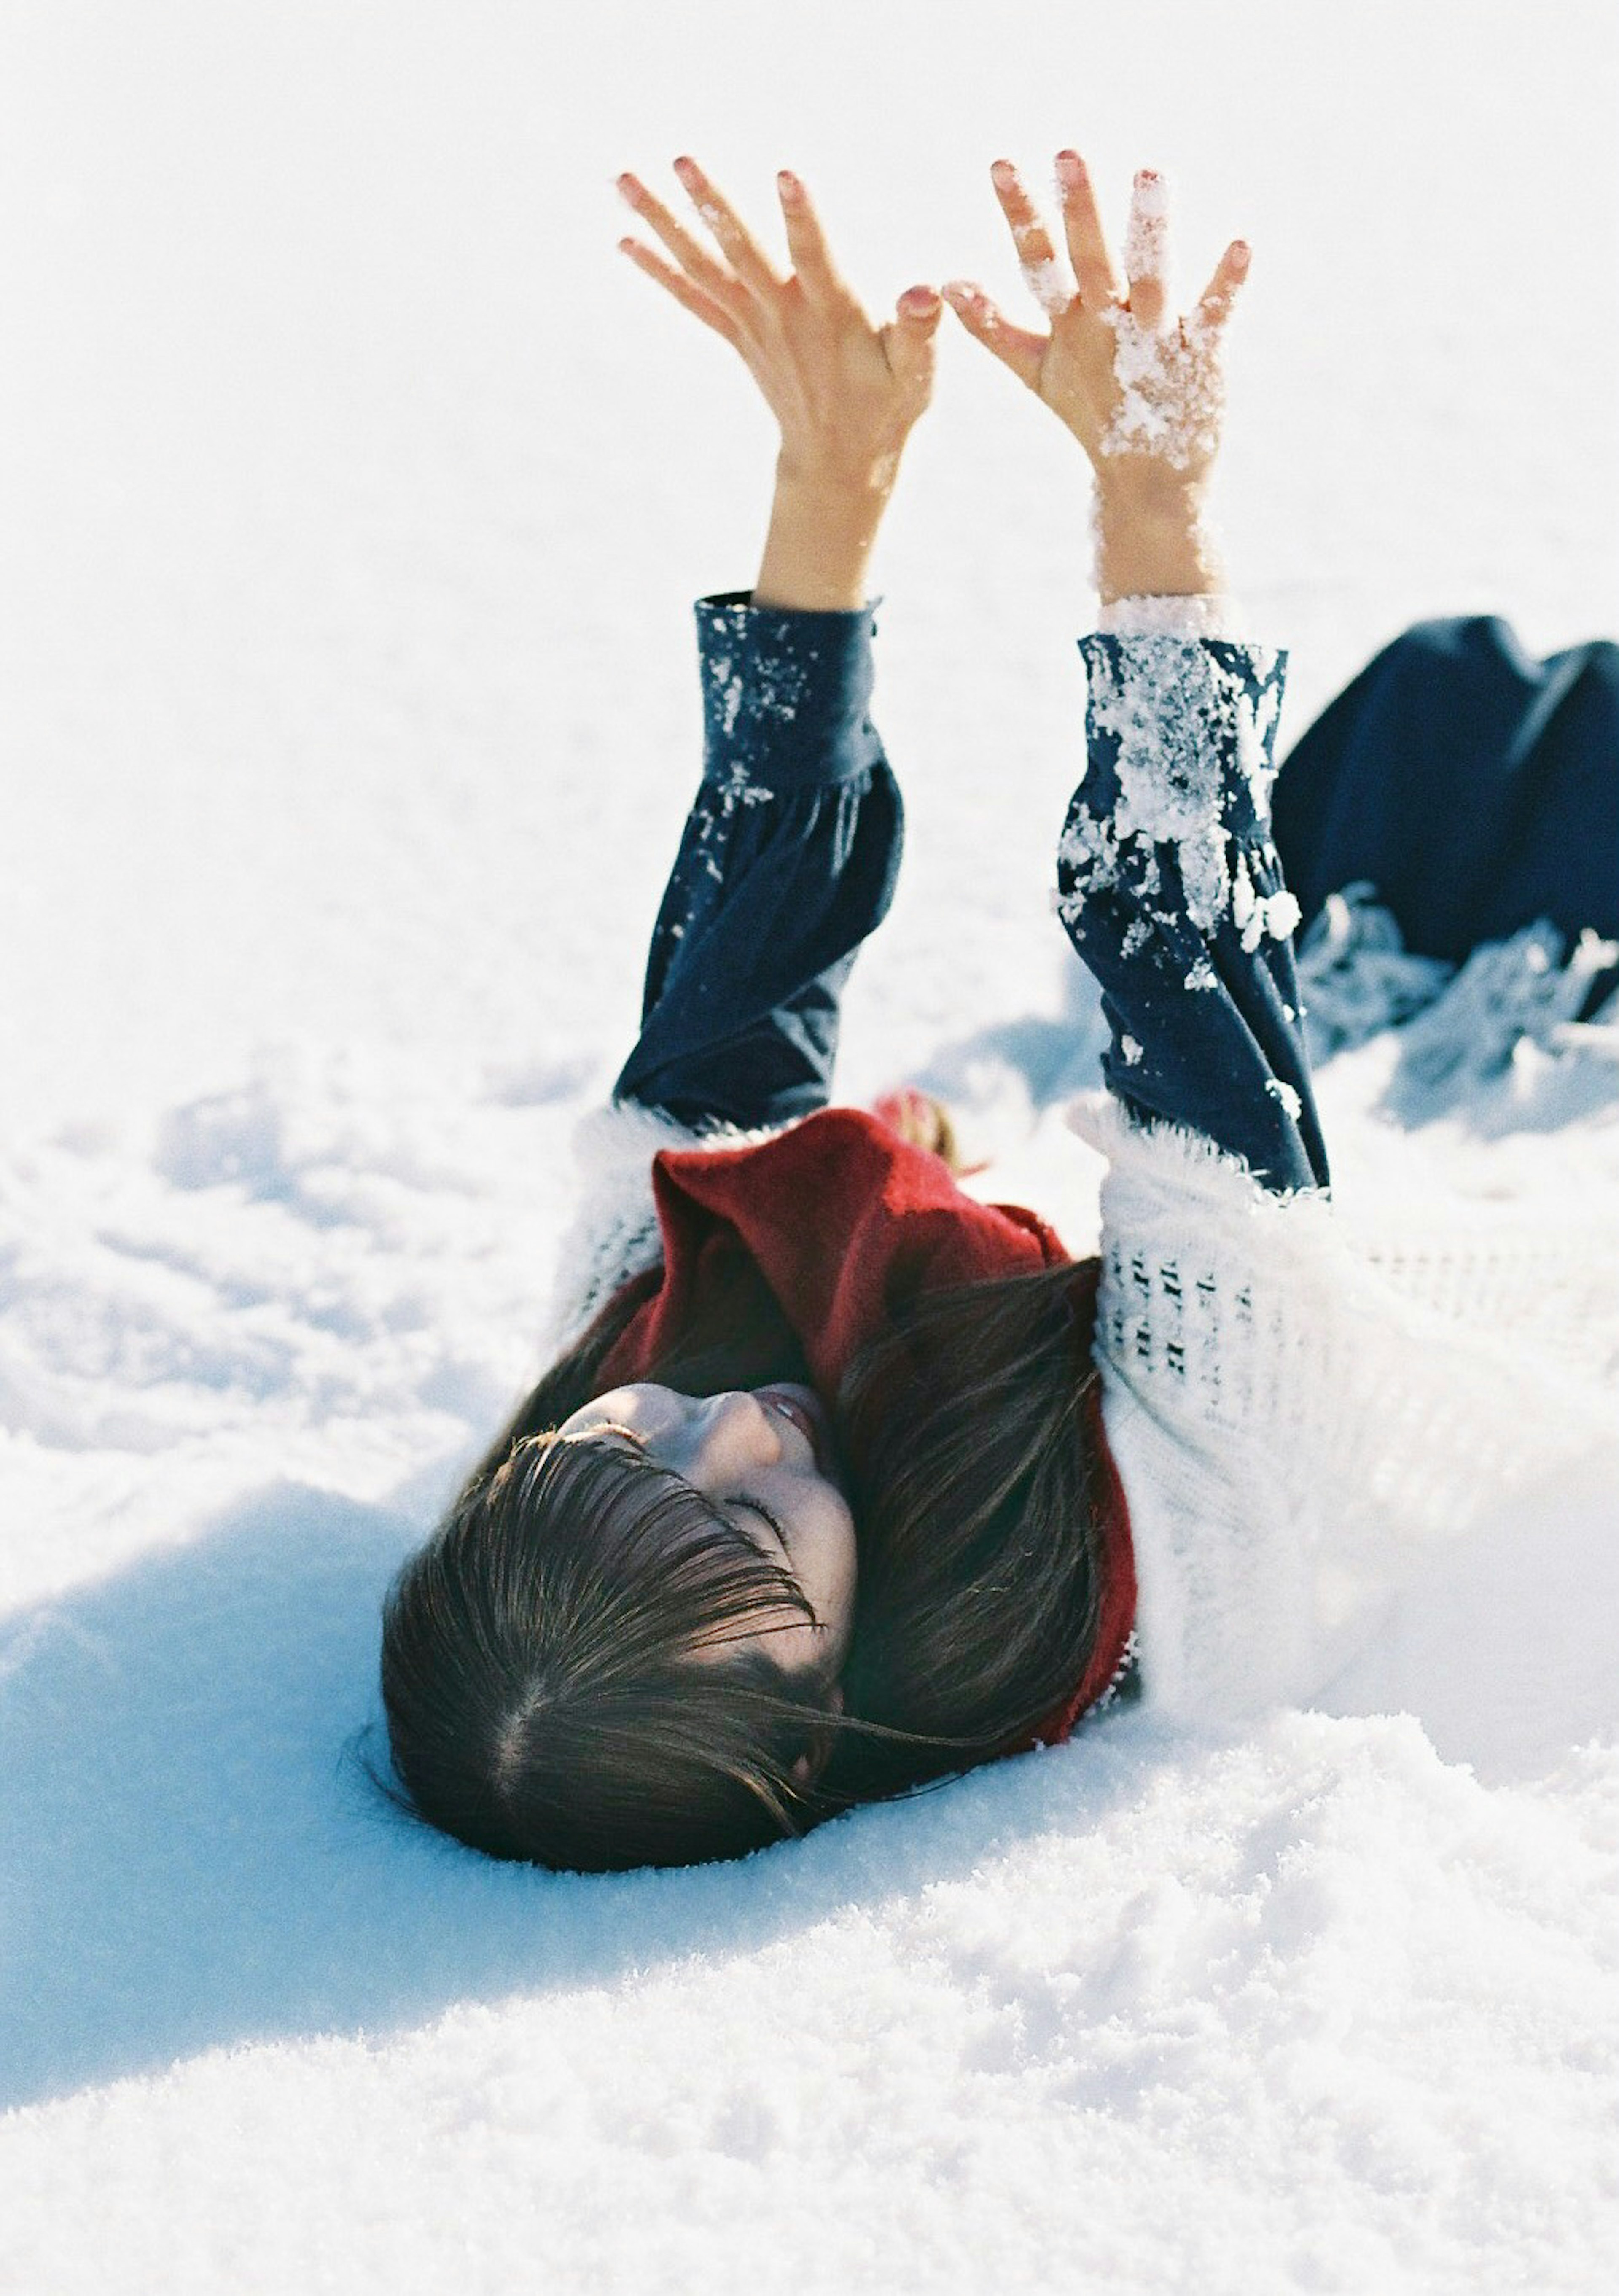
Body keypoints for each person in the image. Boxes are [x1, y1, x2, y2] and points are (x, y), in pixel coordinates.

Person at [379, 154, 1619, 1874]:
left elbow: (745, 954)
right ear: (830, 1702)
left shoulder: (635, 1343)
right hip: (1506, 1180)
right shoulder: (1169, 1521)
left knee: (1444, 704)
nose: (725, 1418)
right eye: (756, 1520)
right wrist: (1150, 507)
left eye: (628, 1449)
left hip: (1292, 1084)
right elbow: (1184, 981)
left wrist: (831, 482)